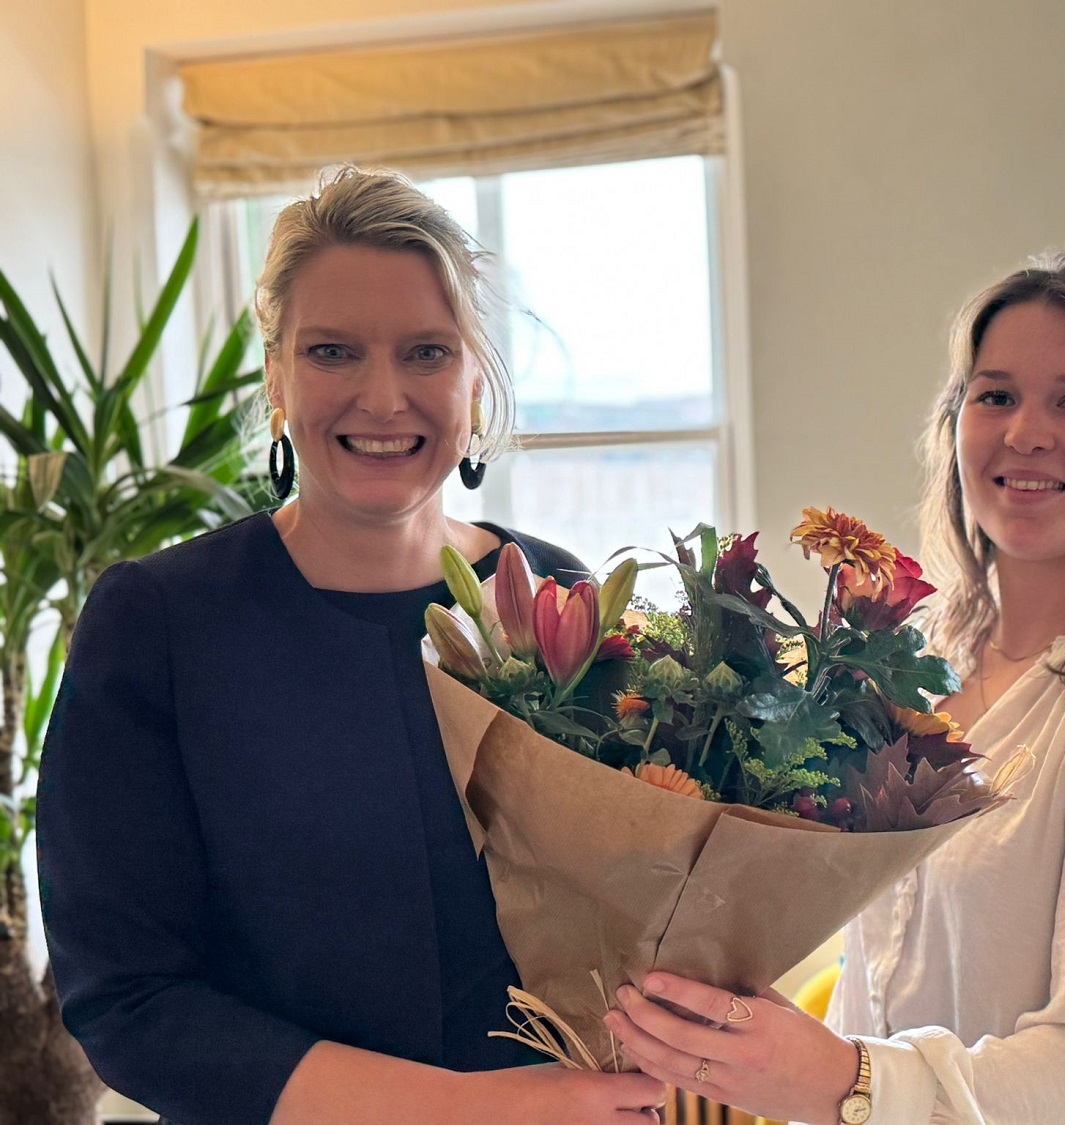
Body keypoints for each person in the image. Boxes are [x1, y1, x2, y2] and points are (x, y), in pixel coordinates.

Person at [37, 167, 666, 1125]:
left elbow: (642, 902)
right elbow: (127, 1000)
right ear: (277, 379)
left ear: (474, 379)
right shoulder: (156, 624)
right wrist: (467, 1110)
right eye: (332, 351)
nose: (382, 396)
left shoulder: (558, 599)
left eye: (426, 352)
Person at [605, 253, 1065, 1124]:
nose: (1026, 431)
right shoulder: (921, 664)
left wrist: (844, 1079)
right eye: (994, 395)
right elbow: (876, 993)